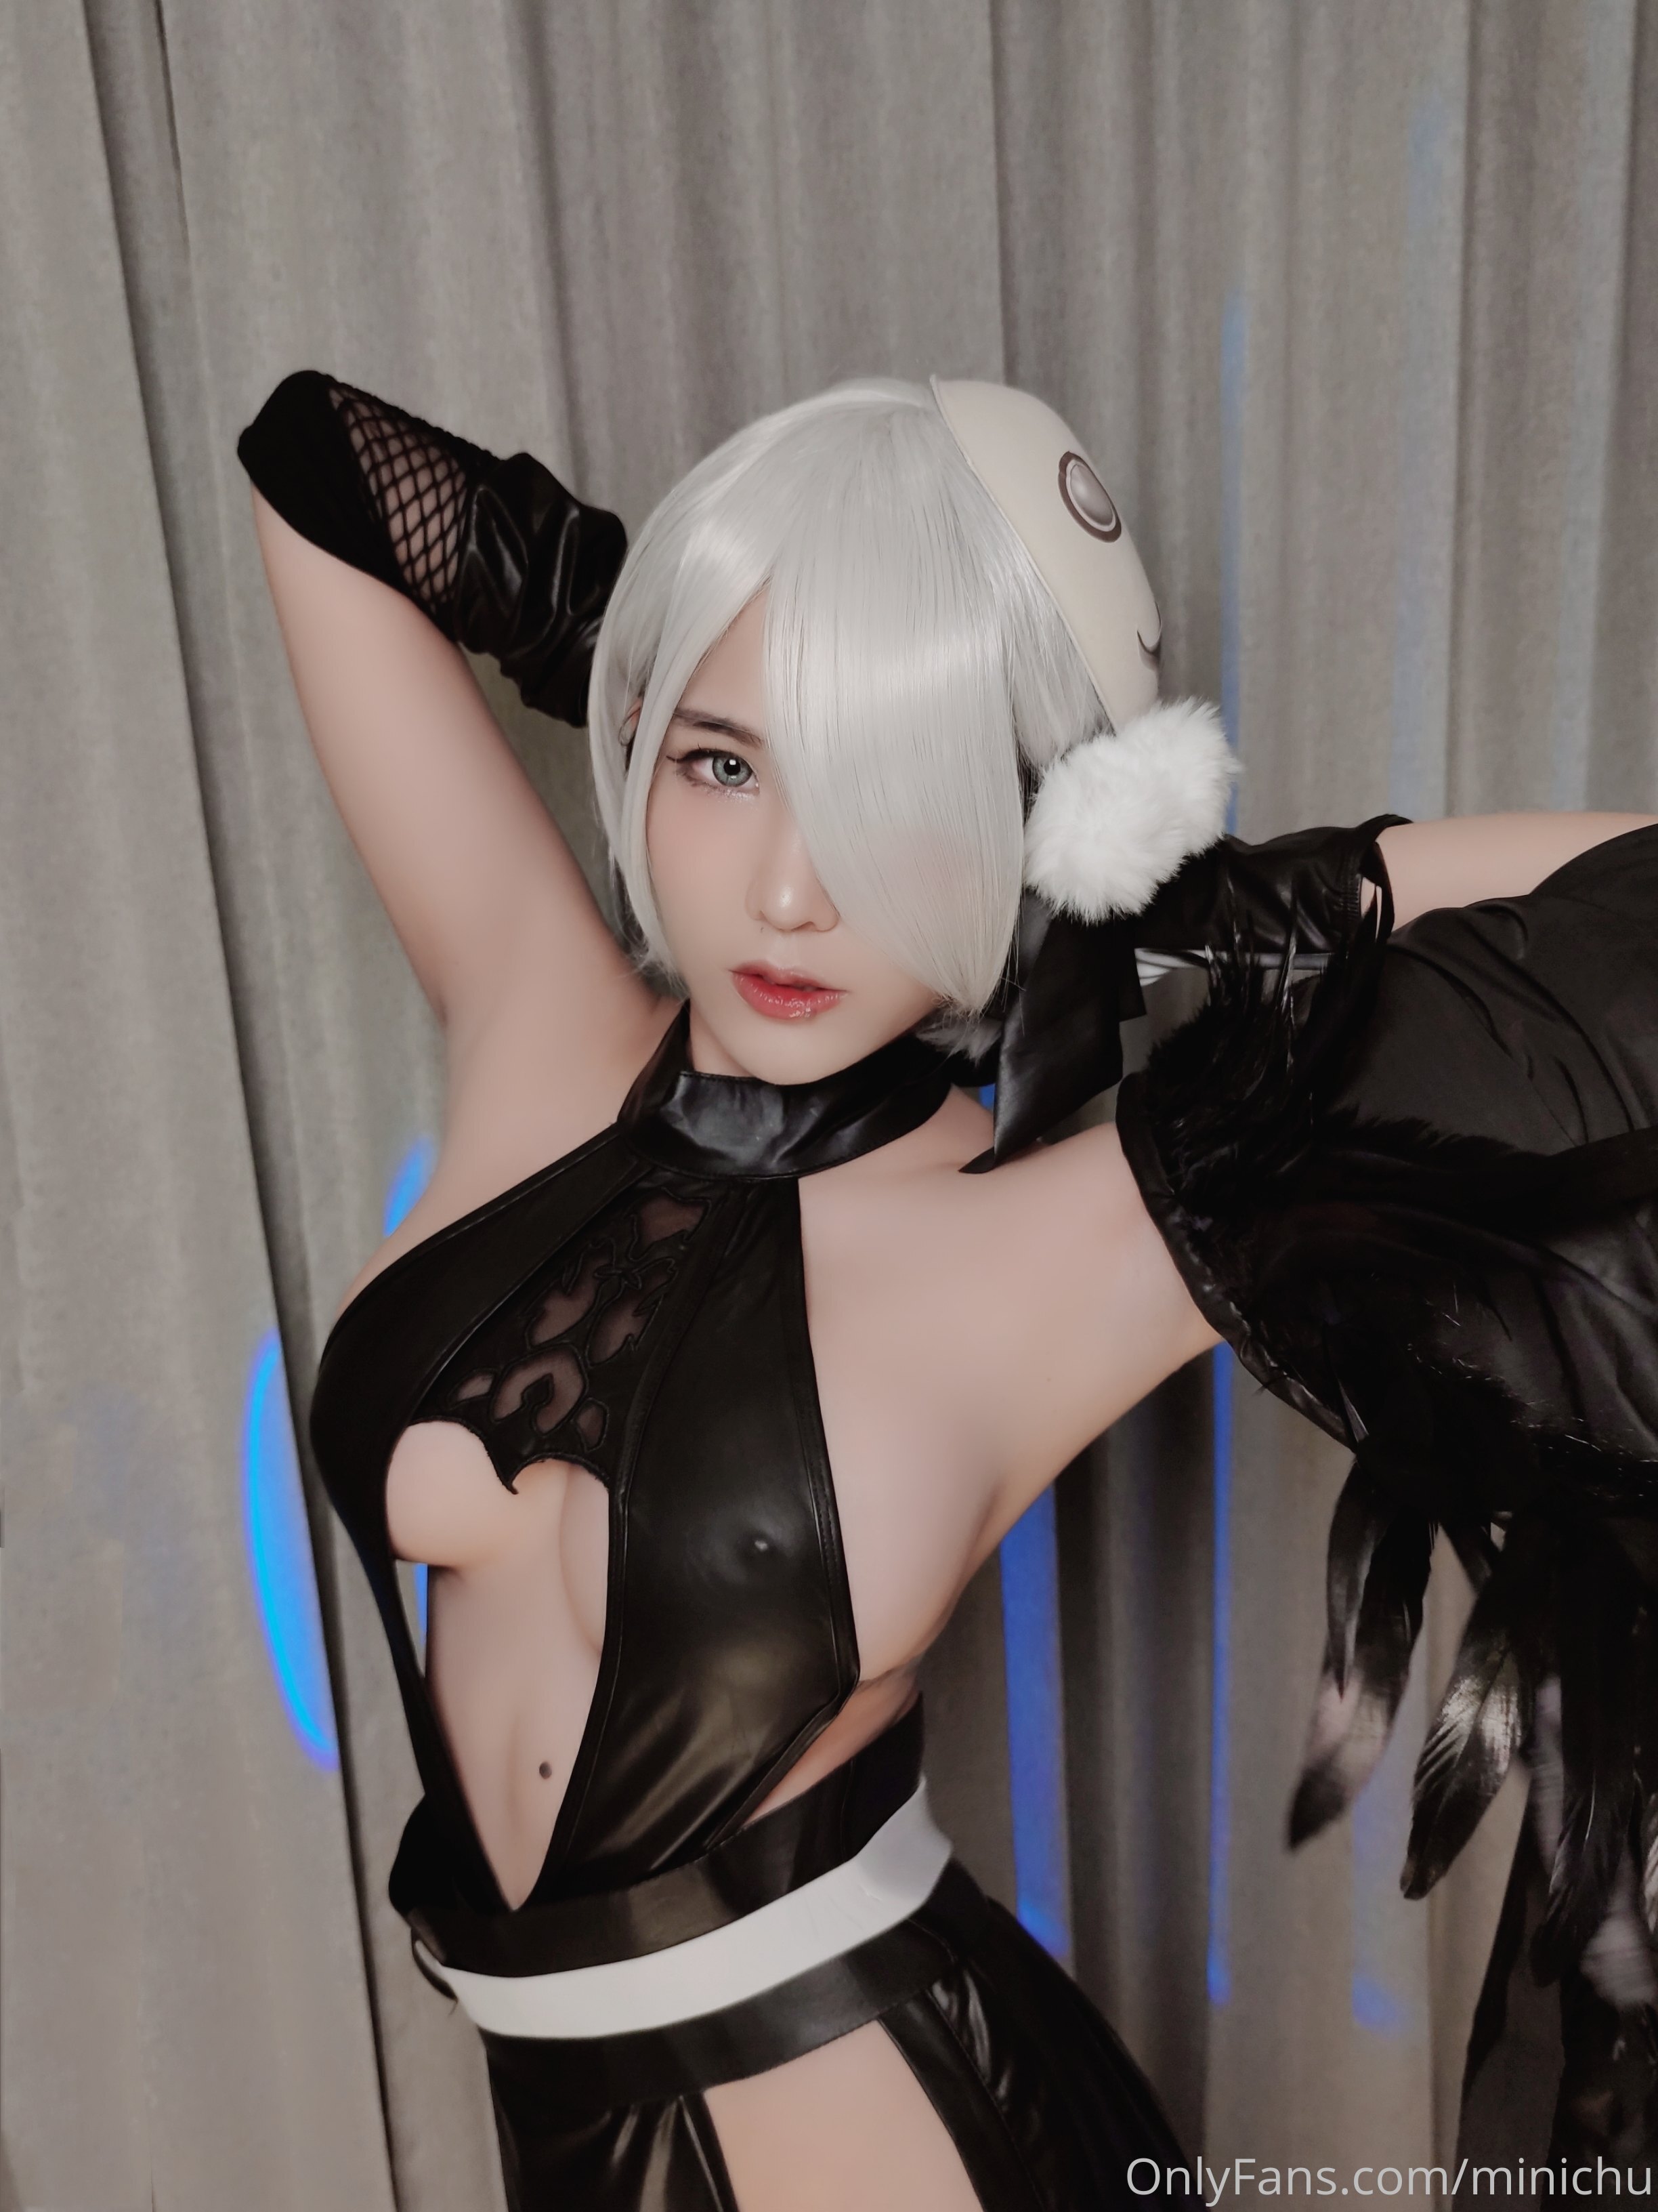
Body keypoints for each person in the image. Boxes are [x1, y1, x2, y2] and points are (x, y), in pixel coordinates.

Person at [238, 367, 1658, 2208]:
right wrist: (652, 617)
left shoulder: (1065, 1228)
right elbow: (312, 462)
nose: (792, 890)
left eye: (900, 797)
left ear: (1047, 823)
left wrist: (1217, 898)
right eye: (725, 767)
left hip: (903, 2136)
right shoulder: (539, 1011)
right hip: (565, 2129)